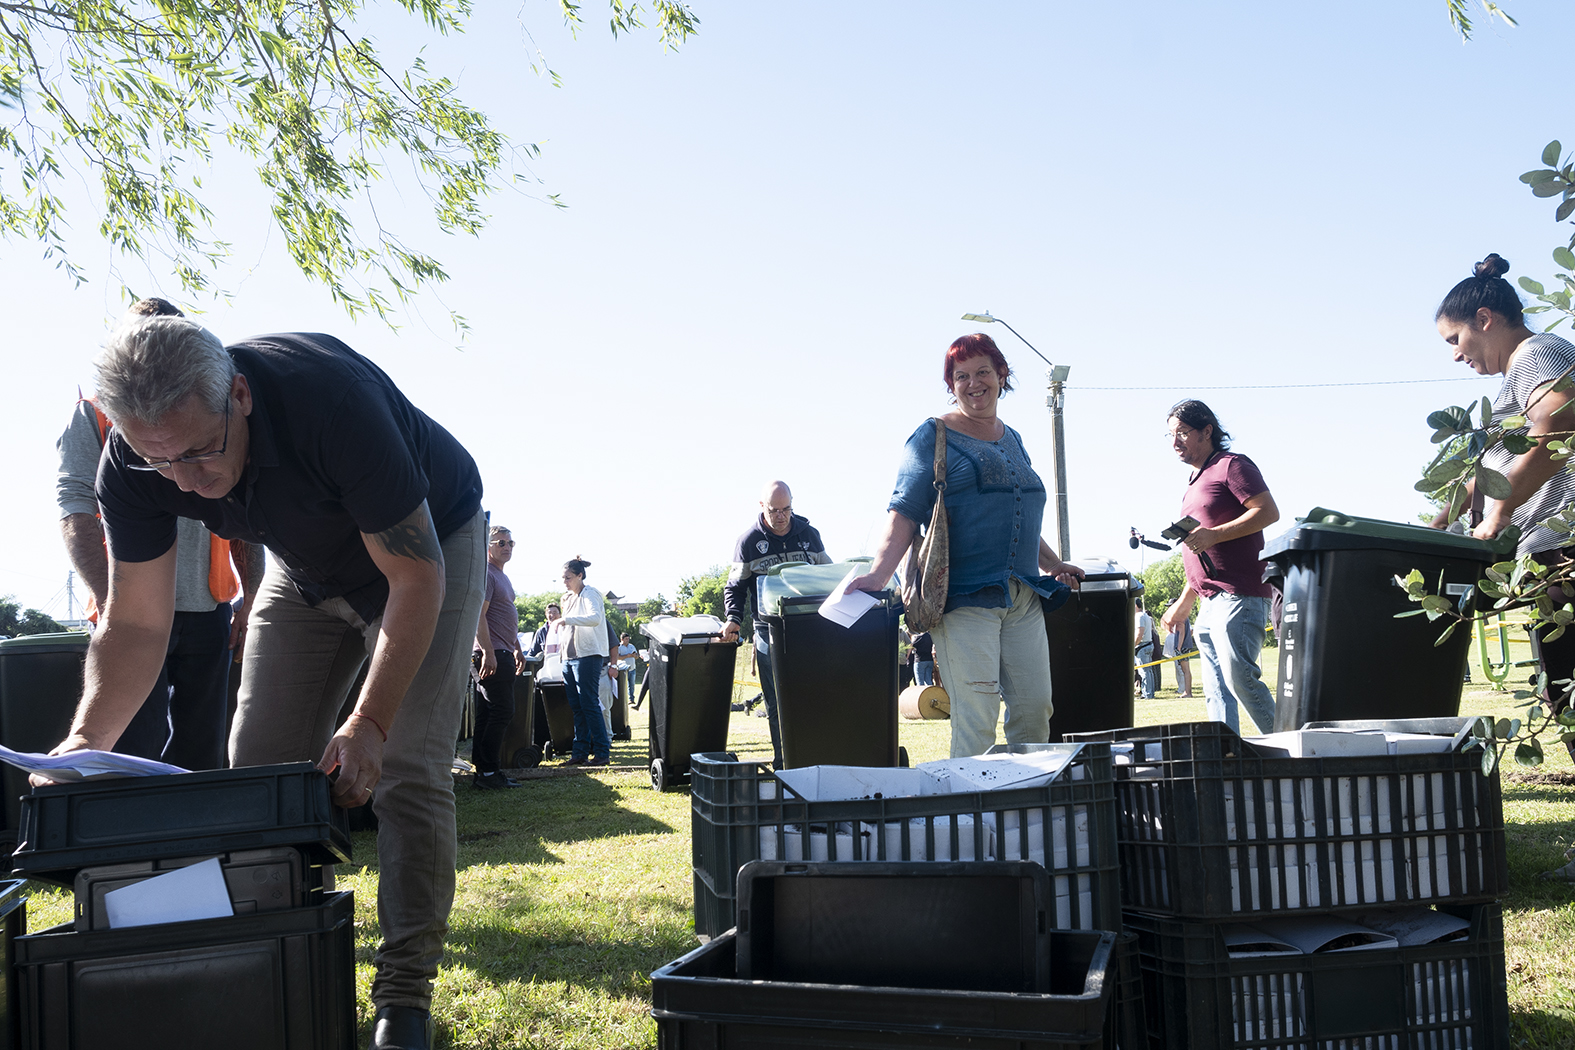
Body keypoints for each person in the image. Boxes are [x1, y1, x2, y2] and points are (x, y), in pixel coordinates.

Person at [39, 317, 486, 1050]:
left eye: (197, 452)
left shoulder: (331, 404)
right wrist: (85, 742)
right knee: (257, 782)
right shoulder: (133, 463)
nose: (184, 480)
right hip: (303, 572)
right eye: (159, 461)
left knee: (406, 765)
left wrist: (368, 722)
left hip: (426, 550)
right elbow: (138, 625)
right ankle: (262, 970)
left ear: (238, 396)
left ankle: (403, 999)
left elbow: (413, 576)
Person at [849, 333, 1085, 757]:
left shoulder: (1012, 438)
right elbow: (903, 510)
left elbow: (1019, 513)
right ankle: (973, 819)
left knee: (1035, 711)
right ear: (951, 385)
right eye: (961, 376)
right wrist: (879, 574)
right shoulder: (932, 435)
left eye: (982, 372)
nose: (974, 383)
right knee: (977, 718)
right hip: (962, 598)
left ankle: (1025, 814)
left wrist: (1053, 563)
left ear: (1001, 376)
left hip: (1023, 596)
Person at [55, 298, 264, 771]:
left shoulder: (209, 402)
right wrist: (109, 599)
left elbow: (244, 511)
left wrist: (250, 597)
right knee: (131, 749)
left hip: (208, 607)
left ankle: (198, 845)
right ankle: (130, 843)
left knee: (204, 750)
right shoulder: (95, 414)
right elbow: (75, 506)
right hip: (130, 606)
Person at [1430, 253, 1575, 771]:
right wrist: (1444, 518)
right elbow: (1484, 474)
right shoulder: (1514, 380)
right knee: (1560, 688)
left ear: (1484, 320)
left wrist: (1498, 515)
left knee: (1568, 687)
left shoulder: (1537, 354)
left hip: (1566, 546)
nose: (1455, 355)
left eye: (1455, 340)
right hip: (1548, 555)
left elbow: (1557, 427)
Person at [1157, 400, 1279, 734]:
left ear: (1207, 430)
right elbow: (1199, 547)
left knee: (1241, 681)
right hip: (1210, 604)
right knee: (1215, 691)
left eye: (1183, 432)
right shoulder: (1194, 482)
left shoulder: (1232, 466)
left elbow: (1268, 511)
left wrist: (1214, 534)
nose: (1175, 442)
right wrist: (1186, 602)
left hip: (1238, 594)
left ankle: (1294, 753)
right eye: (1170, 435)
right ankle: (1226, 760)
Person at [720, 481, 833, 768]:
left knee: (815, 694)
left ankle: (820, 758)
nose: (781, 516)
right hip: (767, 631)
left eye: (786, 509)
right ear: (762, 507)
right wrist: (733, 618)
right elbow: (735, 586)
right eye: (774, 510)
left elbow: (830, 577)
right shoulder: (747, 542)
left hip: (809, 630)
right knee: (777, 701)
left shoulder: (810, 535)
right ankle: (786, 762)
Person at [471, 525, 521, 789]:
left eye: (510, 543)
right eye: (500, 542)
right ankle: (489, 772)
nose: (507, 547)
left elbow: (504, 618)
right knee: (502, 711)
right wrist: (488, 652)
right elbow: (479, 615)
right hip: (490, 653)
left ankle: (484, 773)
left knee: (488, 713)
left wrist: (518, 648)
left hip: (504, 650)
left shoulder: (502, 576)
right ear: (487, 546)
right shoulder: (487, 574)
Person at [558, 557, 611, 767]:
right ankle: (579, 753)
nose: (565, 582)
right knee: (577, 706)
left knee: (589, 703)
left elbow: (595, 618)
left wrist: (567, 619)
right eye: (563, 578)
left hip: (588, 656)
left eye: (568, 577)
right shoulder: (567, 598)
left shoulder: (590, 593)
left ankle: (601, 752)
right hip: (569, 658)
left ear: (580, 575)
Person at [1133, 598, 1157, 700]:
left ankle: (1148, 694)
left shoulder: (1138, 616)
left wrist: (1133, 645)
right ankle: (1149, 692)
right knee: (1148, 671)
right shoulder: (1145, 615)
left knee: (1144, 672)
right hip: (1147, 645)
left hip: (1142, 646)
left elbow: (1139, 633)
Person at [1166, 616, 1195, 698]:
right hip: (1185, 646)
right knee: (1185, 670)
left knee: (1185, 670)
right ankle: (1187, 691)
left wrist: (1178, 647)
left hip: (1183, 647)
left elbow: (1181, 632)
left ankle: (1187, 692)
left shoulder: (1180, 617)